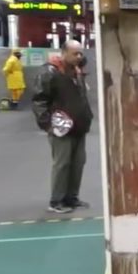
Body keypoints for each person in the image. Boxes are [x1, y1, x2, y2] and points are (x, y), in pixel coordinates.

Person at [32, 40, 94, 213]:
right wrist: (47, 125)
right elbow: (39, 100)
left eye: (81, 53)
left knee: (78, 163)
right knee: (62, 164)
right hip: (60, 127)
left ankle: (72, 198)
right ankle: (56, 201)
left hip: (79, 126)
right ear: (64, 53)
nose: (79, 57)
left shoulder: (77, 71)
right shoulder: (49, 72)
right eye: (75, 53)